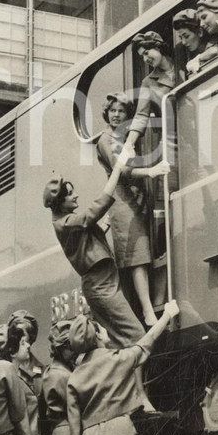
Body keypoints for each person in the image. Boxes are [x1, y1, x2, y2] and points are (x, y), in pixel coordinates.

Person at [43, 146, 155, 412]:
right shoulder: (66, 222)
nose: (76, 196)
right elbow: (95, 211)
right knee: (137, 336)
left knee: (118, 342)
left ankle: (127, 397)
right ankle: (139, 397)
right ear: (61, 203)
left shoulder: (68, 220)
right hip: (102, 286)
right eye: (71, 195)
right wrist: (116, 170)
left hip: (104, 282)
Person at [66, 299, 180, 435]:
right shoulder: (118, 359)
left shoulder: (74, 376)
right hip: (120, 434)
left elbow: (74, 420)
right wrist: (167, 314)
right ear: (98, 336)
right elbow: (147, 341)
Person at [97, 91, 169, 326]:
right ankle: (148, 311)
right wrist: (151, 171)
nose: (116, 115)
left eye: (121, 111)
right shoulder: (106, 140)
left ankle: (152, 305)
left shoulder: (124, 137)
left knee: (146, 253)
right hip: (122, 204)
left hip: (137, 201)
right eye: (113, 111)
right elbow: (122, 170)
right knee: (137, 257)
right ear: (107, 113)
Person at [41, 320, 94, 435]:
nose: (75, 352)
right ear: (61, 348)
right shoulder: (61, 375)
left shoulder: (54, 371)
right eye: (71, 347)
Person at [1, 323, 45, 435]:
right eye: (22, 342)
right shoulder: (14, 380)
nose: (28, 345)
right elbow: (20, 421)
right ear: (12, 351)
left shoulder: (15, 375)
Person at [125, 31, 176, 153]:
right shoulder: (148, 82)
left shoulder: (184, 61)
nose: (145, 59)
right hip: (174, 139)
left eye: (146, 53)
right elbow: (141, 115)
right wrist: (129, 143)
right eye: (142, 56)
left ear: (158, 47)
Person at [172, 9, 208, 77]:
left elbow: (215, 51)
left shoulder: (214, 42)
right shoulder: (186, 55)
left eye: (186, 36)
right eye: (180, 38)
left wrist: (197, 59)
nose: (183, 42)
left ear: (200, 32)